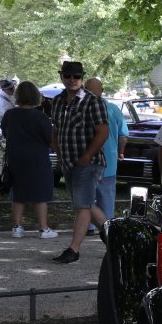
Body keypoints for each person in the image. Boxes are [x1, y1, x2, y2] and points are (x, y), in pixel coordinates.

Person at [47, 60, 109, 263]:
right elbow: (56, 128)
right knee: (86, 204)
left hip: (88, 162)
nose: (72, 80)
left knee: (82, 206)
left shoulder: (93, 101)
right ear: (61, 77)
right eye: (68, 76)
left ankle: (74, 250)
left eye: (76, 76)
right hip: (68, 161)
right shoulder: (57, 101)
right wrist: (57, 149)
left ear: (82, 78)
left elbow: (103, 132)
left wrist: (87, 155)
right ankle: (116, 237)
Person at [1, 82, 56, 238]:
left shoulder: (9, 115)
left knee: (17, 191)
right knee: (40, 192)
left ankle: (17, 227)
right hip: (37, 158)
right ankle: (43, 228)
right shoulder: (41, 117)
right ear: (35, 96)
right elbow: (49, 139)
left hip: (15, 157)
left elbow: (5, 133)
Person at [84, 78, 129, 218]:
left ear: (85, 91)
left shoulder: (81, 109)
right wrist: (120, 152)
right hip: (109, 161)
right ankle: (107, 225)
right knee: (107, 199)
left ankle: (88, 226)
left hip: (86, 160)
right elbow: (123, 136)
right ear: (102, 91)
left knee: (86, 200)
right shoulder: (113, 109)